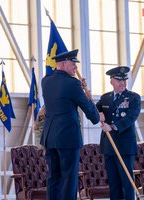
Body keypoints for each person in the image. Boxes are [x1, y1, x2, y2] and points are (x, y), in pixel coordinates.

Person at [40, 49, 100, 200]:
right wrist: (87, 96)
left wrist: (78, 89)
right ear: (64, 63)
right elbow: (93, 116)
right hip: (67, 138)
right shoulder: (73, 84)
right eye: (74, 64)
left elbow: (62, 95)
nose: (76, 68)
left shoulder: (45, 81)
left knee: (53, 178)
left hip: (50, 138)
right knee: (69, 178)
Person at [97, 66, 141, 200]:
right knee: (114, 183)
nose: (123, 83)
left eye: (124, 80)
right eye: (119, 80)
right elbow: (94, 111)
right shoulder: (105, 98)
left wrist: (113, 127)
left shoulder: (133, 98)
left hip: (125, 146)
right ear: (111, 81)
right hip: (108, 145)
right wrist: (93, 106)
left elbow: (131, 118)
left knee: (127, 182)